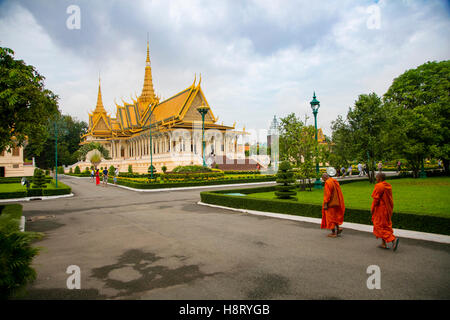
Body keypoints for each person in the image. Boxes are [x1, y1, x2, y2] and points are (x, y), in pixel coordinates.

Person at [371, 173, 399, 251]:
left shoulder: (379, 186)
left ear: (379, 179)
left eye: (376, 178)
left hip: (381, 209)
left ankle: (393, 239)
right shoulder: (388, 185)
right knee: (384, 225)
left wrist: (372, 209)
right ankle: (383, 244)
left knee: (379, 226)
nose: (376, 179)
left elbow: (376, 199)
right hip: (387, 209)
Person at [321, 173, 345, 237]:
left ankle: (333, 233)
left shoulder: (327, 183)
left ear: (325, 177)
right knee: (335, 216)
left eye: (323, 178)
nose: (323, 180)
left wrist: (326, 203)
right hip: (336, 201)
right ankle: (338, 228)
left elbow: (327, 194)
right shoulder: (333, 181)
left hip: (330, 203)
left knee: (330, 218)